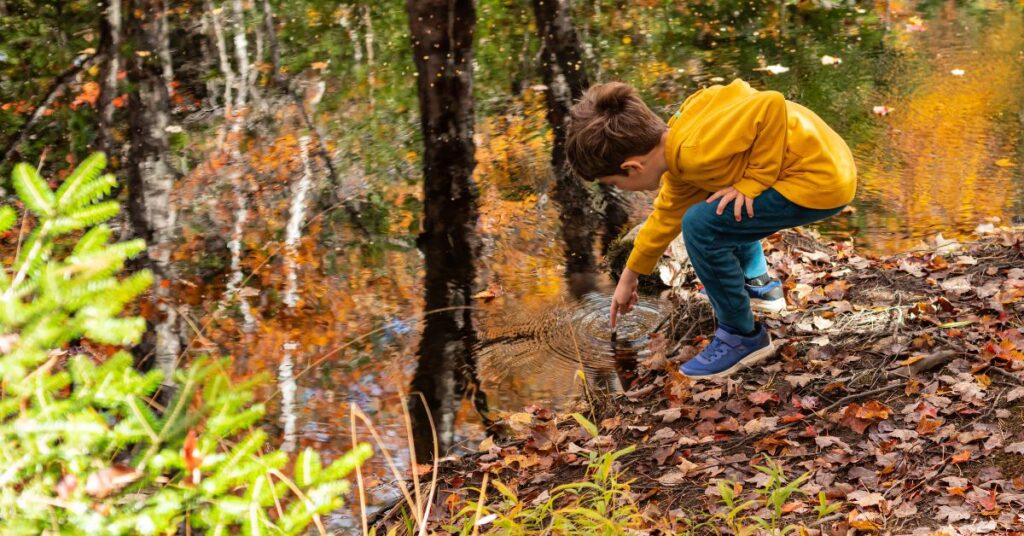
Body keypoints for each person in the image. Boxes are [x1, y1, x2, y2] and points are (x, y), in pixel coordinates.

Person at [565, 79, 856, 378]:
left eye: (615, 183)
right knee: (715, 199)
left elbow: (770, 104)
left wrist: (754, 181)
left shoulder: (697, 150)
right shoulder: (679, 148)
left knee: (701, 225)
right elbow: (666, 215)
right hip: (827, 161)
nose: (620, 190)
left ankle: (741, 337)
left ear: (633, 167)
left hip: (820, 179)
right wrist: (630, 275)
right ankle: (760, 288)